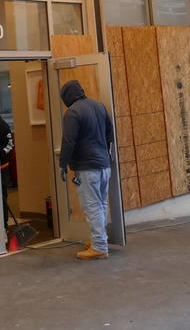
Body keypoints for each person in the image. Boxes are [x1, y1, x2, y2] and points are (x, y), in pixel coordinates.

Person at [58, 79, 114, 260]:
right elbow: (109, 134)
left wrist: (63, 164)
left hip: (87, 167)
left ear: (67, 96)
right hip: (104, 165)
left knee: (92, 207)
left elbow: (68, 141)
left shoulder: (72, 113)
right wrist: (104, 153)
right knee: (101, 204)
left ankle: (99, 246)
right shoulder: (99, 106)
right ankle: (100, 240)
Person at [0, 114, 14, 225]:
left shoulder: (2, 126)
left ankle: (4, 225)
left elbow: (9, 145)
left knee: (2, 196)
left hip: (2, 167)